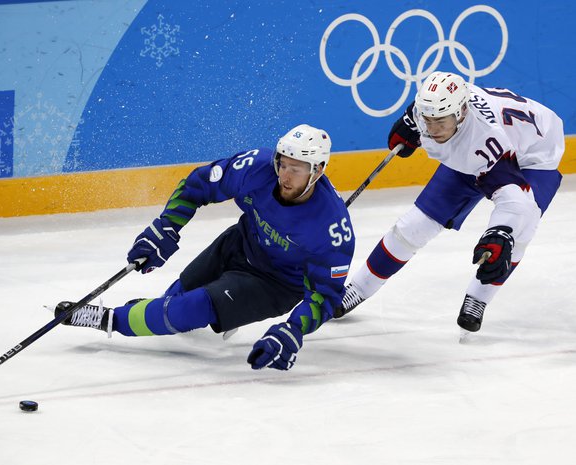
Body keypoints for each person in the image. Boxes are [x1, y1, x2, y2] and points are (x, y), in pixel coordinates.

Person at [55, 124, 354, 370]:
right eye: (283, 163)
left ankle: (108, 318)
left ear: (318, 170)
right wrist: (166, 226)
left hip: (274, 284)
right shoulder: (256, 168)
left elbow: (325, 295)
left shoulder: (332, 229)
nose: (285, 176)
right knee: (173, 298)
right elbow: (198, 184)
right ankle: (169, 308)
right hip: (238, 244)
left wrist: (293, 330)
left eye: (297, 169)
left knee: (190, 310)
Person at [334, 71, 564, 334]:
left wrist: (501, 231)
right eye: (427, 120)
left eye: (439, 122)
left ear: (462, 112)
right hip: (483, 141)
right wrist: (410, 121)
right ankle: (358, 288)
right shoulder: (434, 110)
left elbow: (514, 202)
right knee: (415, 225)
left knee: (518, 233)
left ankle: (478, 299)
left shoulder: (484, 140)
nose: (432, 130)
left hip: (535, 154)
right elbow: (425, 110)